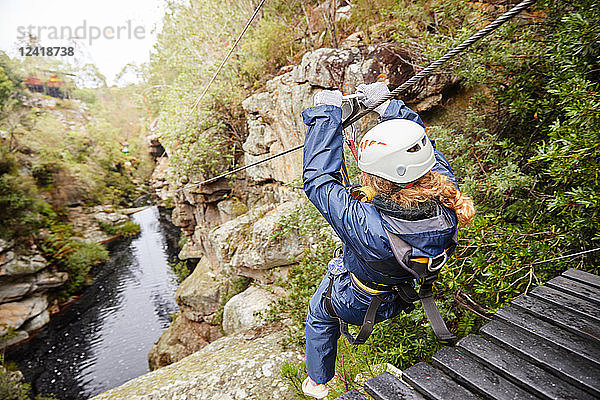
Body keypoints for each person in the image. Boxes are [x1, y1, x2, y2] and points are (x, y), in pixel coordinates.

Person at [300, 82, 475, 398]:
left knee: (320, 312)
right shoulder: (447, 193)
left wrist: (325, 116)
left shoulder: (369, 227)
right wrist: (388, 107)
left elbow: (319, 182)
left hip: (359, 301)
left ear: (380, 178)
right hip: (406, 291)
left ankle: (317, 381)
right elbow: (422, 150)